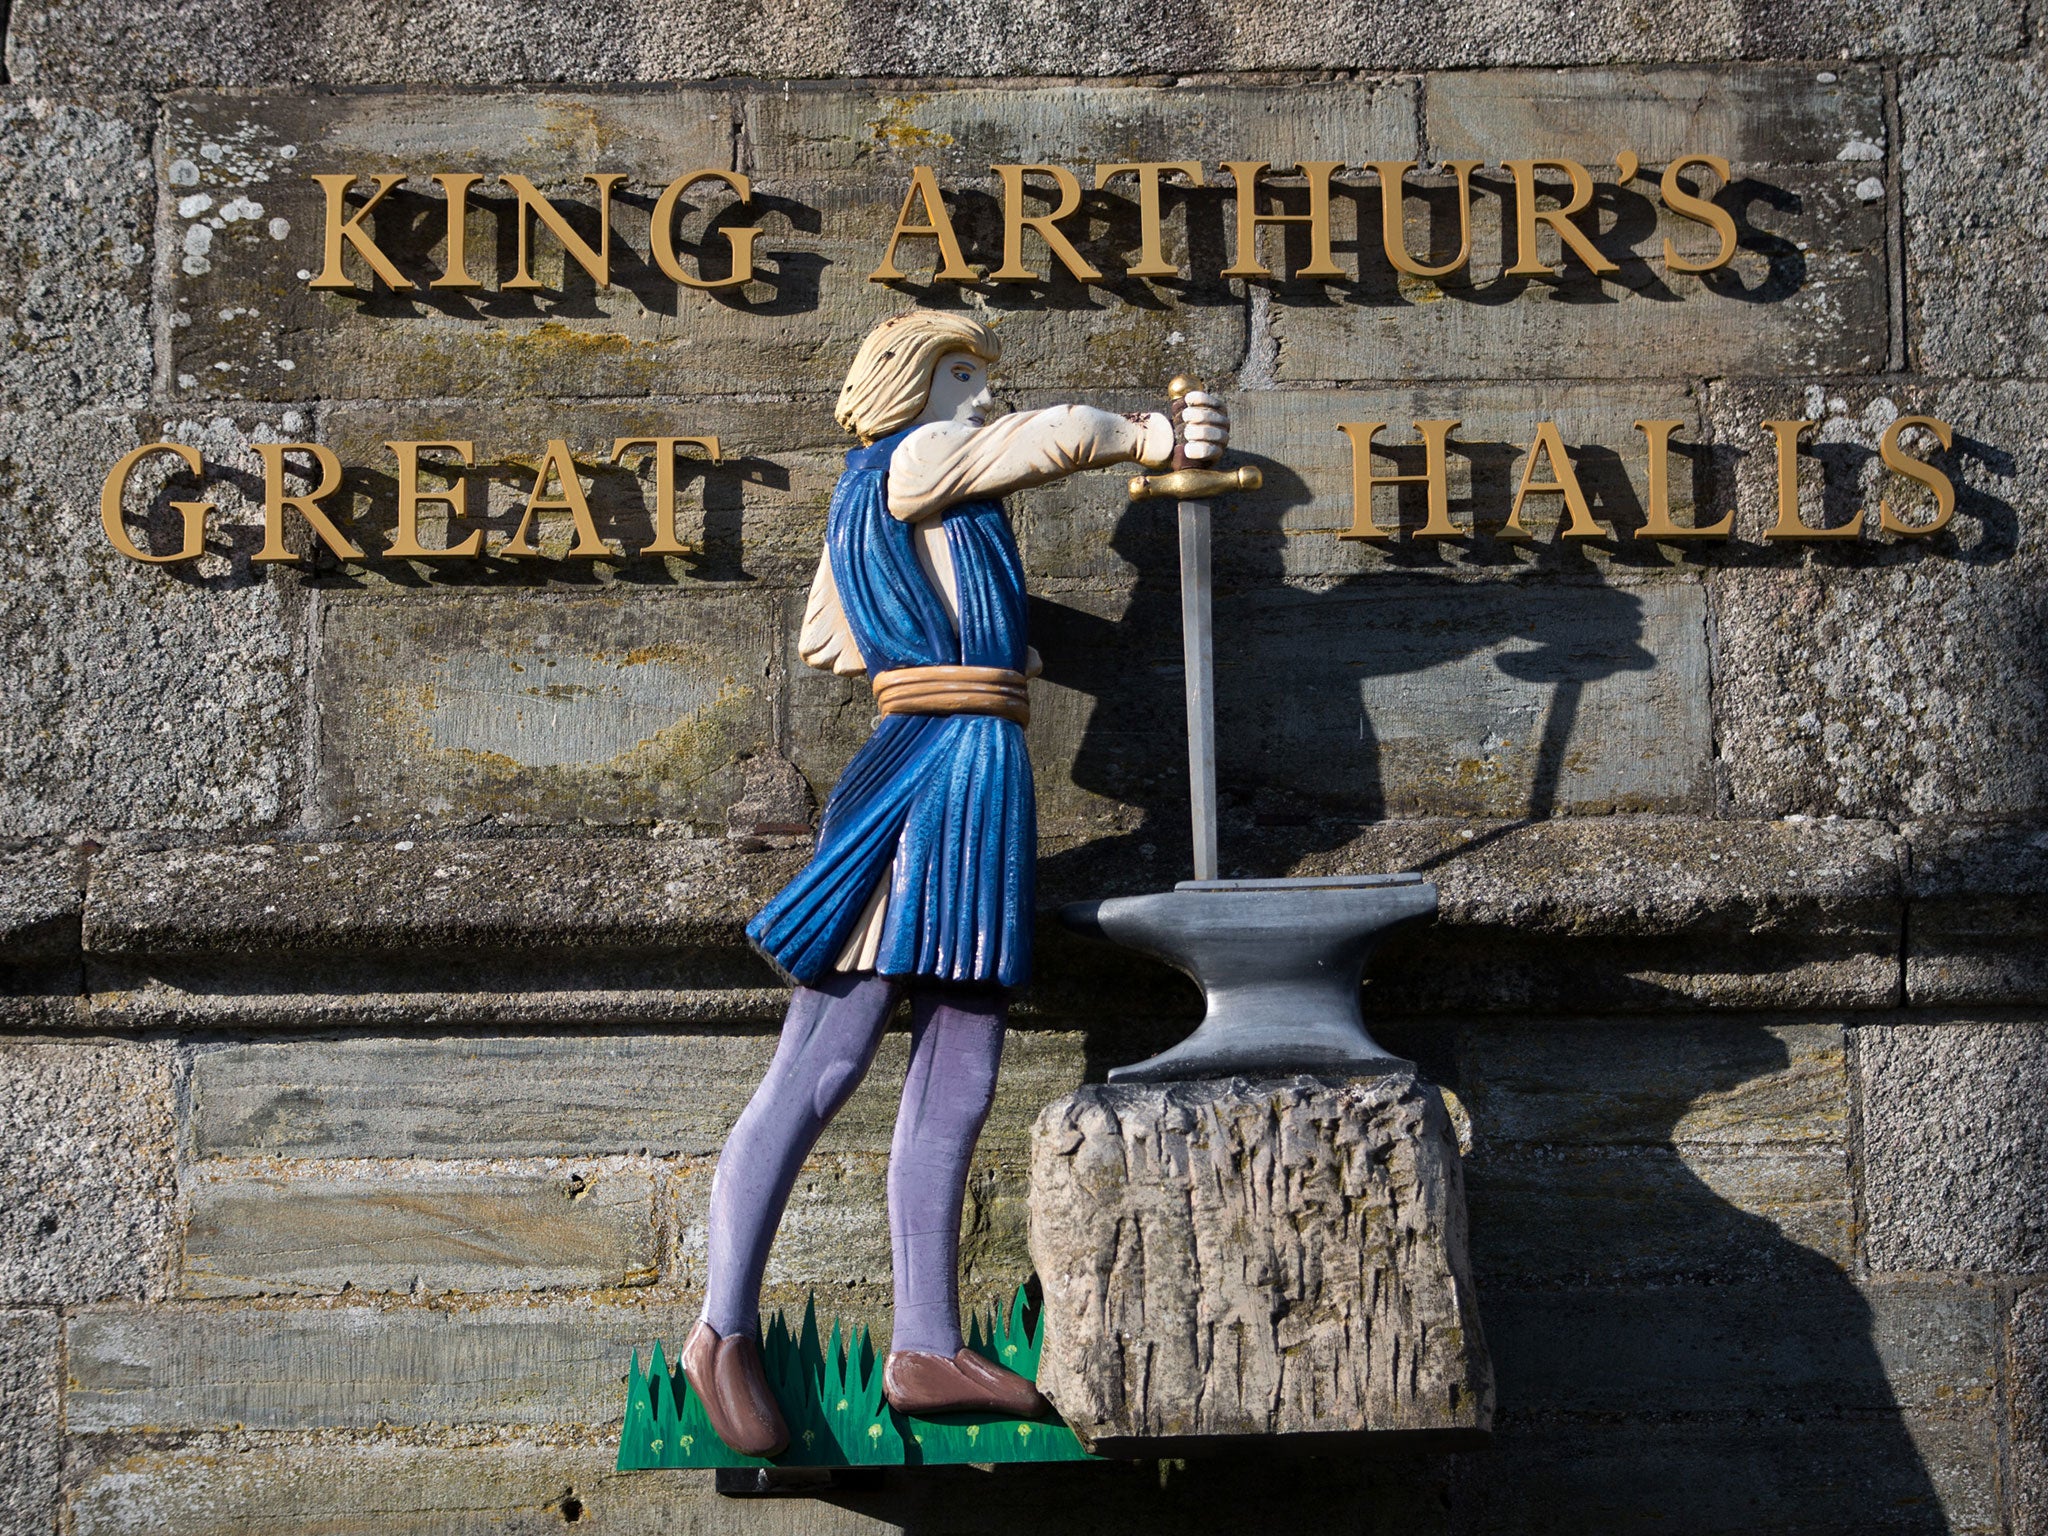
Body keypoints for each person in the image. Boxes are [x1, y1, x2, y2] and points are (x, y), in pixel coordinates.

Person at [681, 309, 1230, 1457]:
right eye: (961, 376)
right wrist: (1140, 437)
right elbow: (1045, 439)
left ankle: (925, 1343)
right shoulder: (913, 459)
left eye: (981, 377)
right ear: (906, 385)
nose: (979, 395)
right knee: (824, 1059)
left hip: (980, 776)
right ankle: (719, 1332)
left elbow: (902, 635)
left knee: (963, 1059)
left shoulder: (935, 506)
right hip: (925, 768)